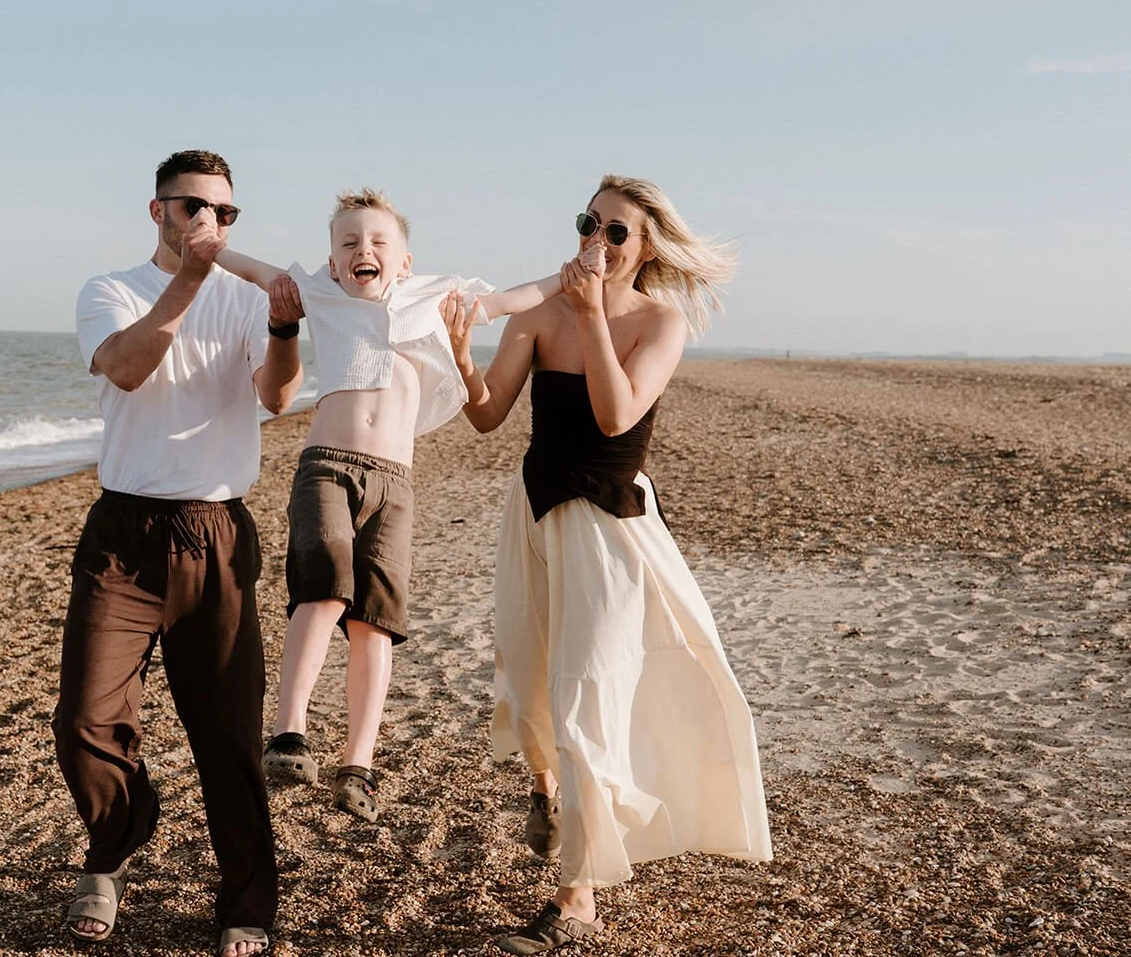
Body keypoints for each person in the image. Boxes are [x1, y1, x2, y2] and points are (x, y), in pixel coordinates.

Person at [441, 175, 773, 955]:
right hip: (532, 514)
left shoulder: (662, 322)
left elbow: (616, 414)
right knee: (528, 682)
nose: (596, 239)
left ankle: (577, 894)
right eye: (589, 221)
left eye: (616, 230)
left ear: (645, 245)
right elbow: (489, 417)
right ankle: (547, 790)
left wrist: (590, 317)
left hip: (611, 529)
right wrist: (462, 357)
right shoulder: (539, 313)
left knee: (587, 693)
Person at [210, 188, 562, 823]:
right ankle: (289, 733)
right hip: (328, 466)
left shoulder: (436, 298)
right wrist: (209, 245)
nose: (361, 251)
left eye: (377, 243)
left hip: (395, 481)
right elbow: (256, 271)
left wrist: (570, 275)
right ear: (332, 260)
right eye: (347, 244)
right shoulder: (318, 292)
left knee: (376, 622)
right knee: (321, 591)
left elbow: (512, 298)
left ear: (404, 262)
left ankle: (359, 765)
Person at [54, 149, 303, 957]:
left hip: (217, 531)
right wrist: (190, 281)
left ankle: (246, 903)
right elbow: (127, 369)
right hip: (123, 533)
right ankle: (122, 834)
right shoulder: (110, 290)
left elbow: (277, 395)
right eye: (193, 207)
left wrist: (284, 326)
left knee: (227, 736)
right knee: (87, 719)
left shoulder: (242, 296)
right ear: (156, 210)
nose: (209, 223)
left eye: (225, 213)